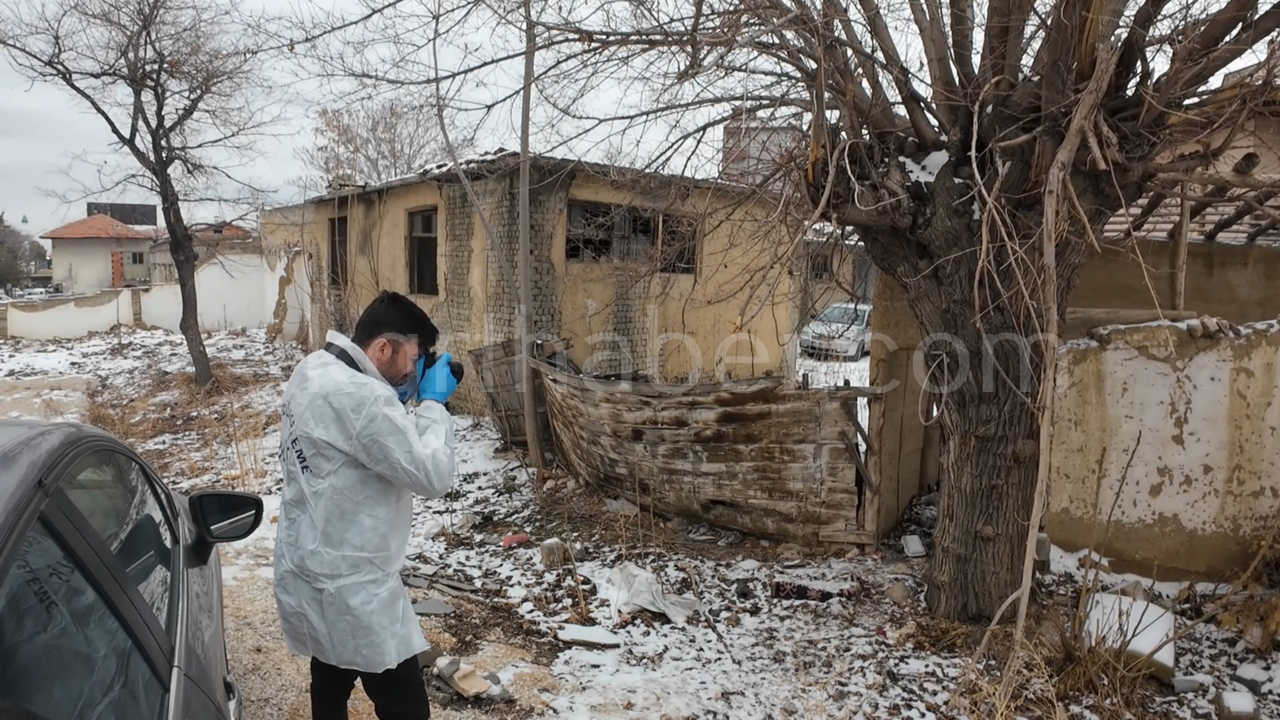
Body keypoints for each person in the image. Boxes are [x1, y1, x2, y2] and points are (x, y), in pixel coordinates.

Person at [273, 291, 462, 720]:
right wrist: (432, 403)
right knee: (406, 706)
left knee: (330, 672)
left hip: (311, 558)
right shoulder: (365, 402)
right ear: (381, 348)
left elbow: (356, 437)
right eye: (412, 359)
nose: (414, 369)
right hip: (355, 584)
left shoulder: (314, 369)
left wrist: (397, 395)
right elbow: (432, 475)